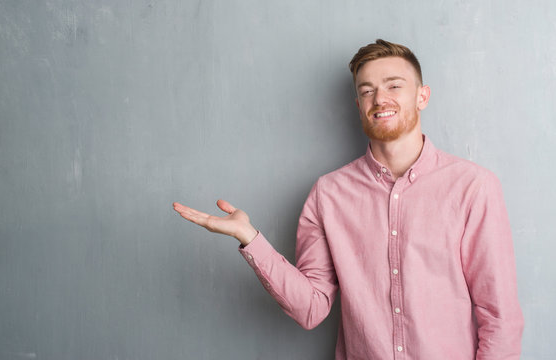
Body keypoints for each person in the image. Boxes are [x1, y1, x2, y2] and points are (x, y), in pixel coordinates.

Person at [173, 39, 524, 359]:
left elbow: (500, 317)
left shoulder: (473, 187)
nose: (379, 99)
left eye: (394, 86)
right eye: (367, 90)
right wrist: (250, 239)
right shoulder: (328, 194)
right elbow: (311, 308)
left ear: (422, 96)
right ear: (359, 105)